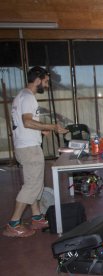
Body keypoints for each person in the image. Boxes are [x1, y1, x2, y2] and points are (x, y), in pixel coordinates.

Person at [3, 66, 68, 238]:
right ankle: (13, 223)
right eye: (45, 82)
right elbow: (27, 122)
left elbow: (24, 124)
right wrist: (52, 127)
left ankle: (37, 217)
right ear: (38, 80)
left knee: (36, 183)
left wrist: (40, 131)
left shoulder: (21, 96)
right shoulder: (28, 97)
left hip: (26, 146)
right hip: (29, 149)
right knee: (32, 185)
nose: (46, 86)